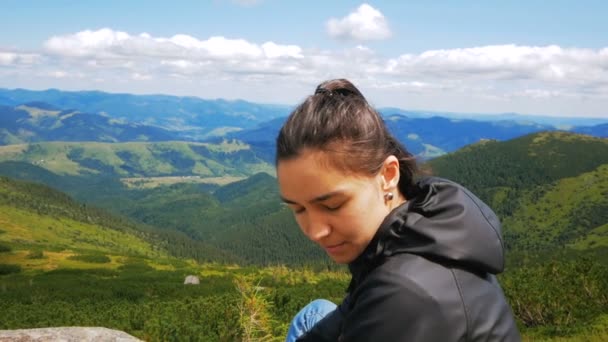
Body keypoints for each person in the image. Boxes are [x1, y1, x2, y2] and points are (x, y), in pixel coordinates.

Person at [276, 79, 521, 341]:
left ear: (388, 175)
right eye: (298, 209)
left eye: (332, 205)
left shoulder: (407, 294)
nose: (315, 232)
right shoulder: (412, 227)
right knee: (314, 313)